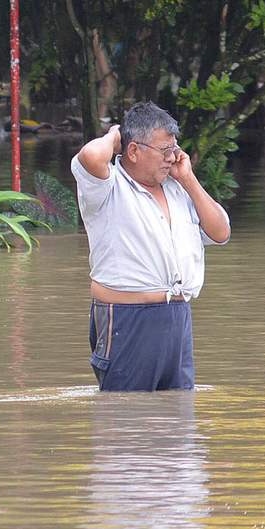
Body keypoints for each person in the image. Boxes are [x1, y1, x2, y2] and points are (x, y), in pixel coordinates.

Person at [71, 102, 231, 391]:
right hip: (127, 318)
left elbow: (221, 232)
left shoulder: (178, 187)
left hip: (177, 317)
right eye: (164, 150)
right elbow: (92, 155)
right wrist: (114, 135)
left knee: (178, 418)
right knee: (125, 419)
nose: (172, 157)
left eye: (175, 148)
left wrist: (189, 179)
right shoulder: (108, 186)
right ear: (133, 151)